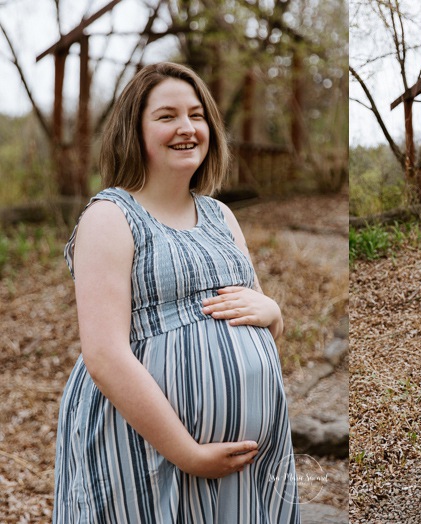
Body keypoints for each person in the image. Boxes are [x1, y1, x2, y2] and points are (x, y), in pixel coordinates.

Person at [53, 62, 299, 523]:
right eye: (166, 116)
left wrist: (273, 310)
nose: (186, 128)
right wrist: (186, 452)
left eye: (197, 115)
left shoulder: (221, 216)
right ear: (135, 130)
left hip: (247, 463)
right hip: (147, 451)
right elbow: (103, 355)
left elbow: (260, 318)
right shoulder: (110, 217)